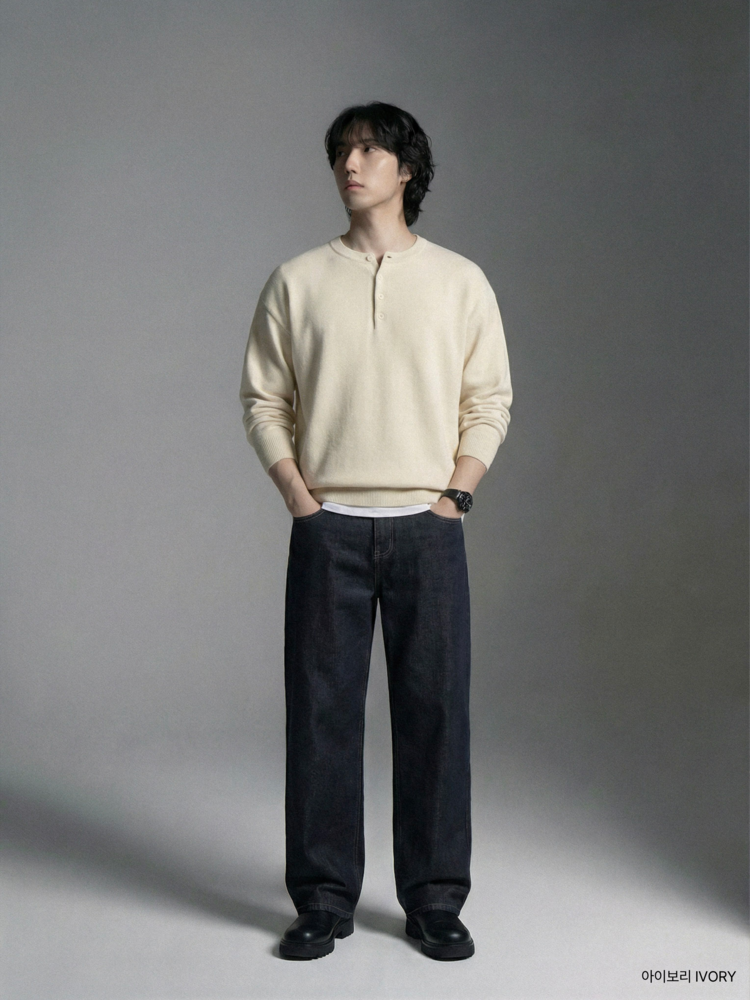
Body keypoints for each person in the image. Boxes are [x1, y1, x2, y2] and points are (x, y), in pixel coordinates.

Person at [240, 101, 512, 961]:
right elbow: (264, 399)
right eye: (342, 152)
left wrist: (456, 496)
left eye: (369, 150)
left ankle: (433, 900)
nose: (351, 164)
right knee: (320, 716)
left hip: (429, 529)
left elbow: (488, 400)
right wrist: (298, 495)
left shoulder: (460, 281)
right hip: (329, 529)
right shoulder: (296, 280)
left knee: (436, 715)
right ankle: (323, 901)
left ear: (407, 169)